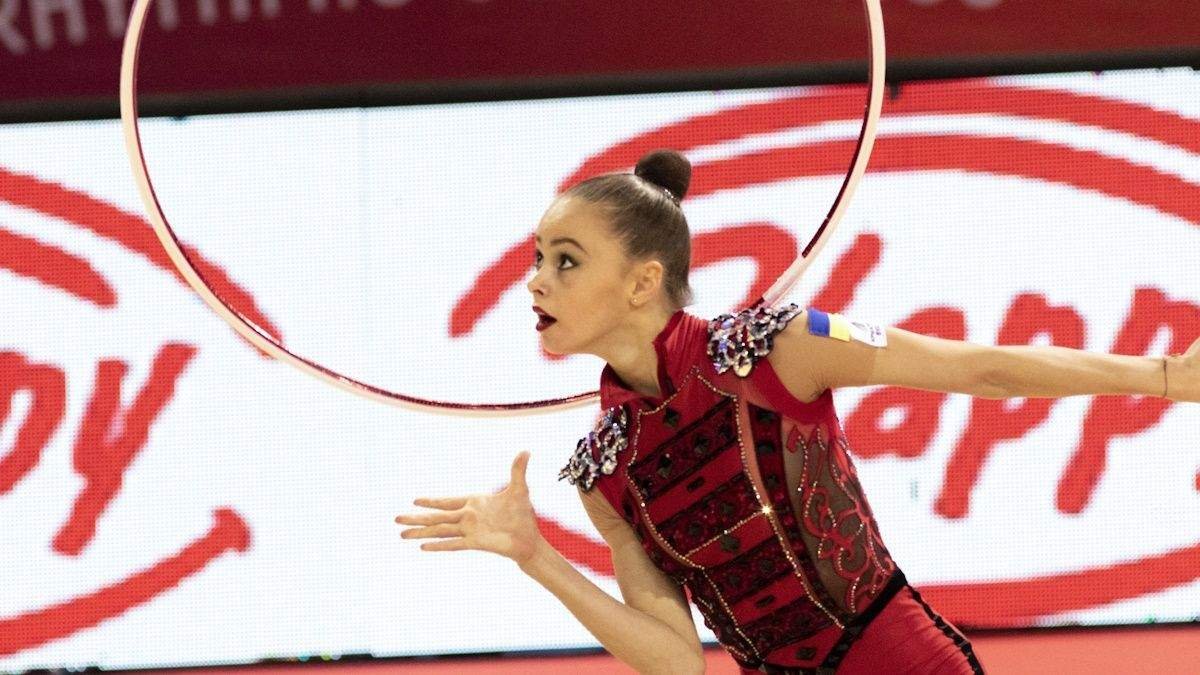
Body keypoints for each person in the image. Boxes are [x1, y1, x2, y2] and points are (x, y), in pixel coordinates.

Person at [394, 149, 1199, 674]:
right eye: (538, 258)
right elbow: (677, 660)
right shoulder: (606, 470)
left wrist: (1165, 375)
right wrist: (536, 555)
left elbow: (979, 368)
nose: (536, 280)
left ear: (642, 280)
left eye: (566, 261)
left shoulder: (777, 348)